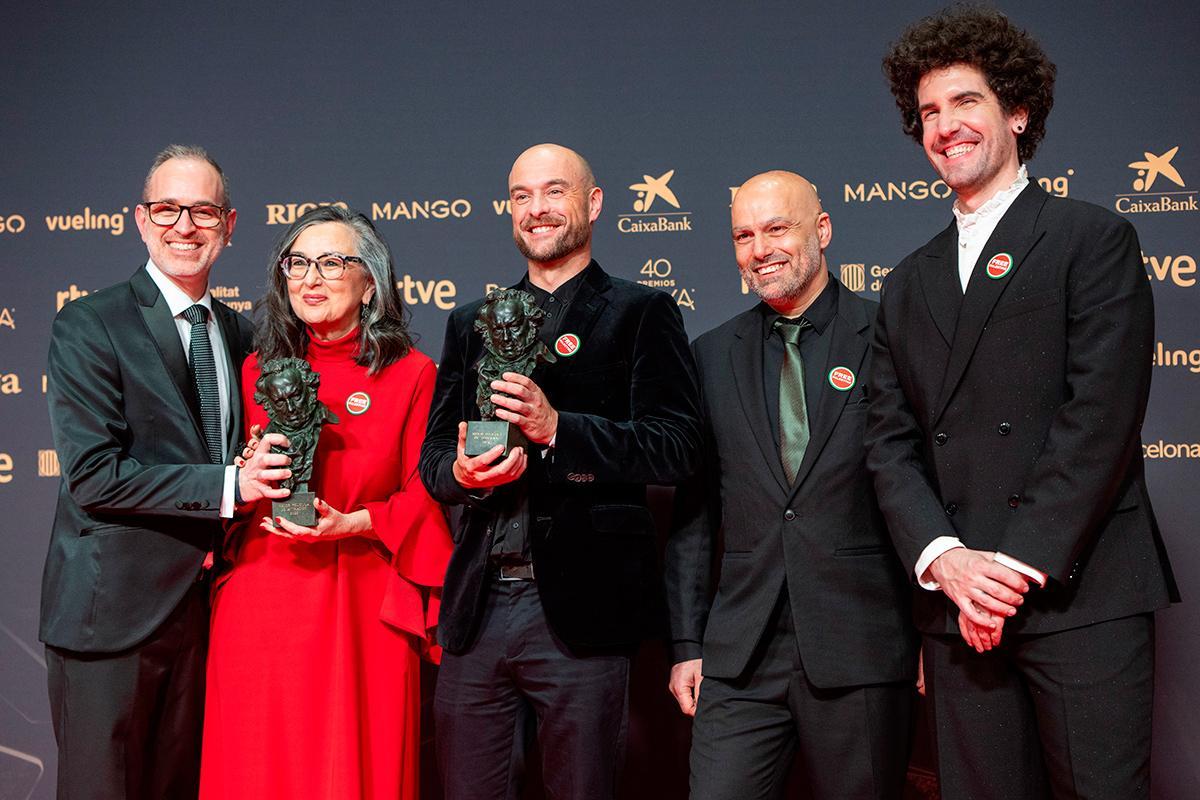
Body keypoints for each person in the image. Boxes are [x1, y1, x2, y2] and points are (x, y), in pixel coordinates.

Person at [870, 7, 1178, 799]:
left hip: (1081, 594)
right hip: (958, 607)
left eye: (965, 101)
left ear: (1017, 111)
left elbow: (1101, 418)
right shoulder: (905, 283)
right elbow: (888, 443)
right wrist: (946, 561)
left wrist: (1009, 570)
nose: (945, 126)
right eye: (928, 112)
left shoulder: (1091, 238)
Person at [419, 143, 702, 800]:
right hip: (478, 608)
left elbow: (676, 447)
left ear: (593, 203)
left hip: (585, 608)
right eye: (521, 196)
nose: (536, 208)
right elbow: (432, 464)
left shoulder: (640, 311)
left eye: (554, 191)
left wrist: (559, 430)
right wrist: (462, 473)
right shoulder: (471, 322)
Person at [665, 171, 918, 800]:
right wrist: (688, 642)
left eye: (777, 228)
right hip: (741, 653)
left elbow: (926, 488)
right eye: (743, 236)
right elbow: (694, 515)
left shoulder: (889, 336)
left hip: (862, 643)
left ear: (822, 230)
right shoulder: (711, 354)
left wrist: (930, 632)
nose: (760, 250)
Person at [199, 205, 453, 800]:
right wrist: (246, 475)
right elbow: (228, 486)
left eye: (333, 263)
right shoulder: (255, 370)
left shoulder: (414, 374)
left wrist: (356, 522)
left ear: (371, 283)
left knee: (352, 769)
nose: (311, 278)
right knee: (256, 770)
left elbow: (428, 494)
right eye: (298, 263)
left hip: (362, 602)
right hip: (262, 597)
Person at [39, 145, 264, 798]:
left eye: (203, 211)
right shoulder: (90, 323)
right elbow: (94, 476)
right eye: (167, 209)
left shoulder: (244, 336)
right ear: (141, 220)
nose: (184, 226)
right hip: (111, 623)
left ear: (229, 225)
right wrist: (230, 486)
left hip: (208, 620)